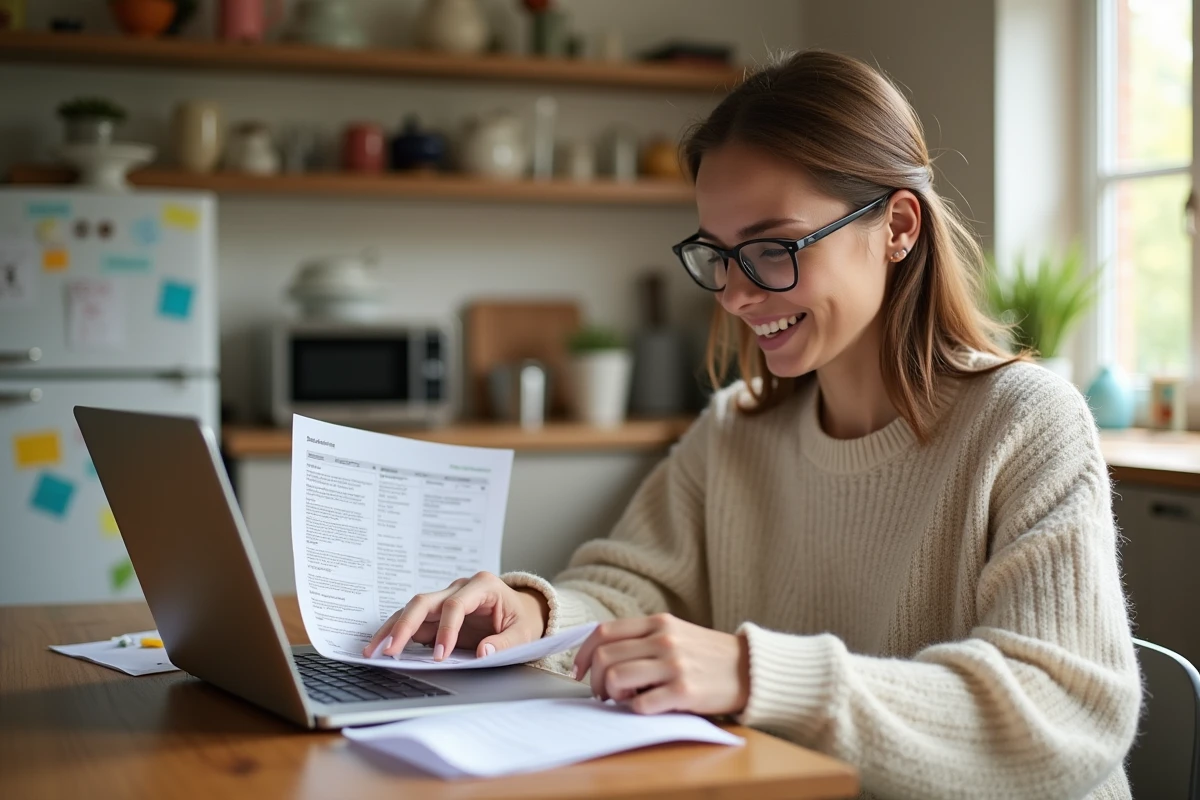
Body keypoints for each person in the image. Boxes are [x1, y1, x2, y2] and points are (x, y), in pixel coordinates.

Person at [365, 50, 1141, 799]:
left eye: (772, 248)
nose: (735, 295)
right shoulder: (735, 431)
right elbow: (631, 585)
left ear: (899, 226)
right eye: (719, 254)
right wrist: (533, 616)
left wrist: (751, 673)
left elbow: (1065, 714)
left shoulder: (1027, 424)